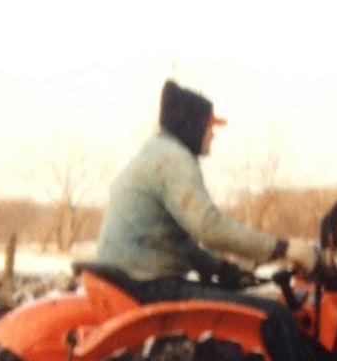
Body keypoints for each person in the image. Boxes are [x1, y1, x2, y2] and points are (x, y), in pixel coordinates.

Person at [96, 79, 317, 289]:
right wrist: (283, 248)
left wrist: (221, 268)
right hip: (147, 284)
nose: (212, 135)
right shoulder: (175, 160)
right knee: (274, 316)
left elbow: (176, 244)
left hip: (132, 279)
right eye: (209, 127)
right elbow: (209, 228)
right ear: (193, 126)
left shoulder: (156, 154)